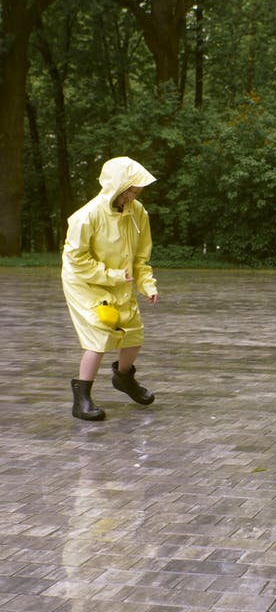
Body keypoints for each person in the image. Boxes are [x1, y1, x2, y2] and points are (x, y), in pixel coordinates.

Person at [62, 156, 158, 421]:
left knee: (133, 332)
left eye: (137, 192)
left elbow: (140, 256)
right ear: (118, 186)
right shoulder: (86, 217)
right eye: (132, 191)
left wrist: (146, 284)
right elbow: (76, 260)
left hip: (121, 280)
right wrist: (113, 275)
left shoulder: (138, 213)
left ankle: (124, 379)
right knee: (100, 334)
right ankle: (81, 398)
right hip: (87, 283)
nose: (134, 196)